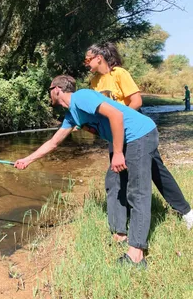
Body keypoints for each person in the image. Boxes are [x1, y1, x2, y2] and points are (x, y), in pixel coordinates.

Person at [14, 75, 188, 267]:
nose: (49, 94)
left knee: (138, 190)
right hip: (136, 135)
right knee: (147, 177)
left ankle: (136, 254)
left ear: (56, 89)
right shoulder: (72, 115)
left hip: (138, 135)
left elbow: (116, 115)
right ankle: (184, 215)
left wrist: (118, 153)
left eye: (49, 90)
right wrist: (27, 160)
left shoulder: (82, 97)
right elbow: (53, 143)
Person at [84, 43, 193, 243]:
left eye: (87, 59)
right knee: (117, 175)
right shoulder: (94, 83)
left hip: (136, 129)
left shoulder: (119, 73)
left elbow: (136, 101)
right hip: (115, 134)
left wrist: (122, 123)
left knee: (156, 171)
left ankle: (186, 211)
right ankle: (121, 227)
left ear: (99, 57)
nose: (86, 64)